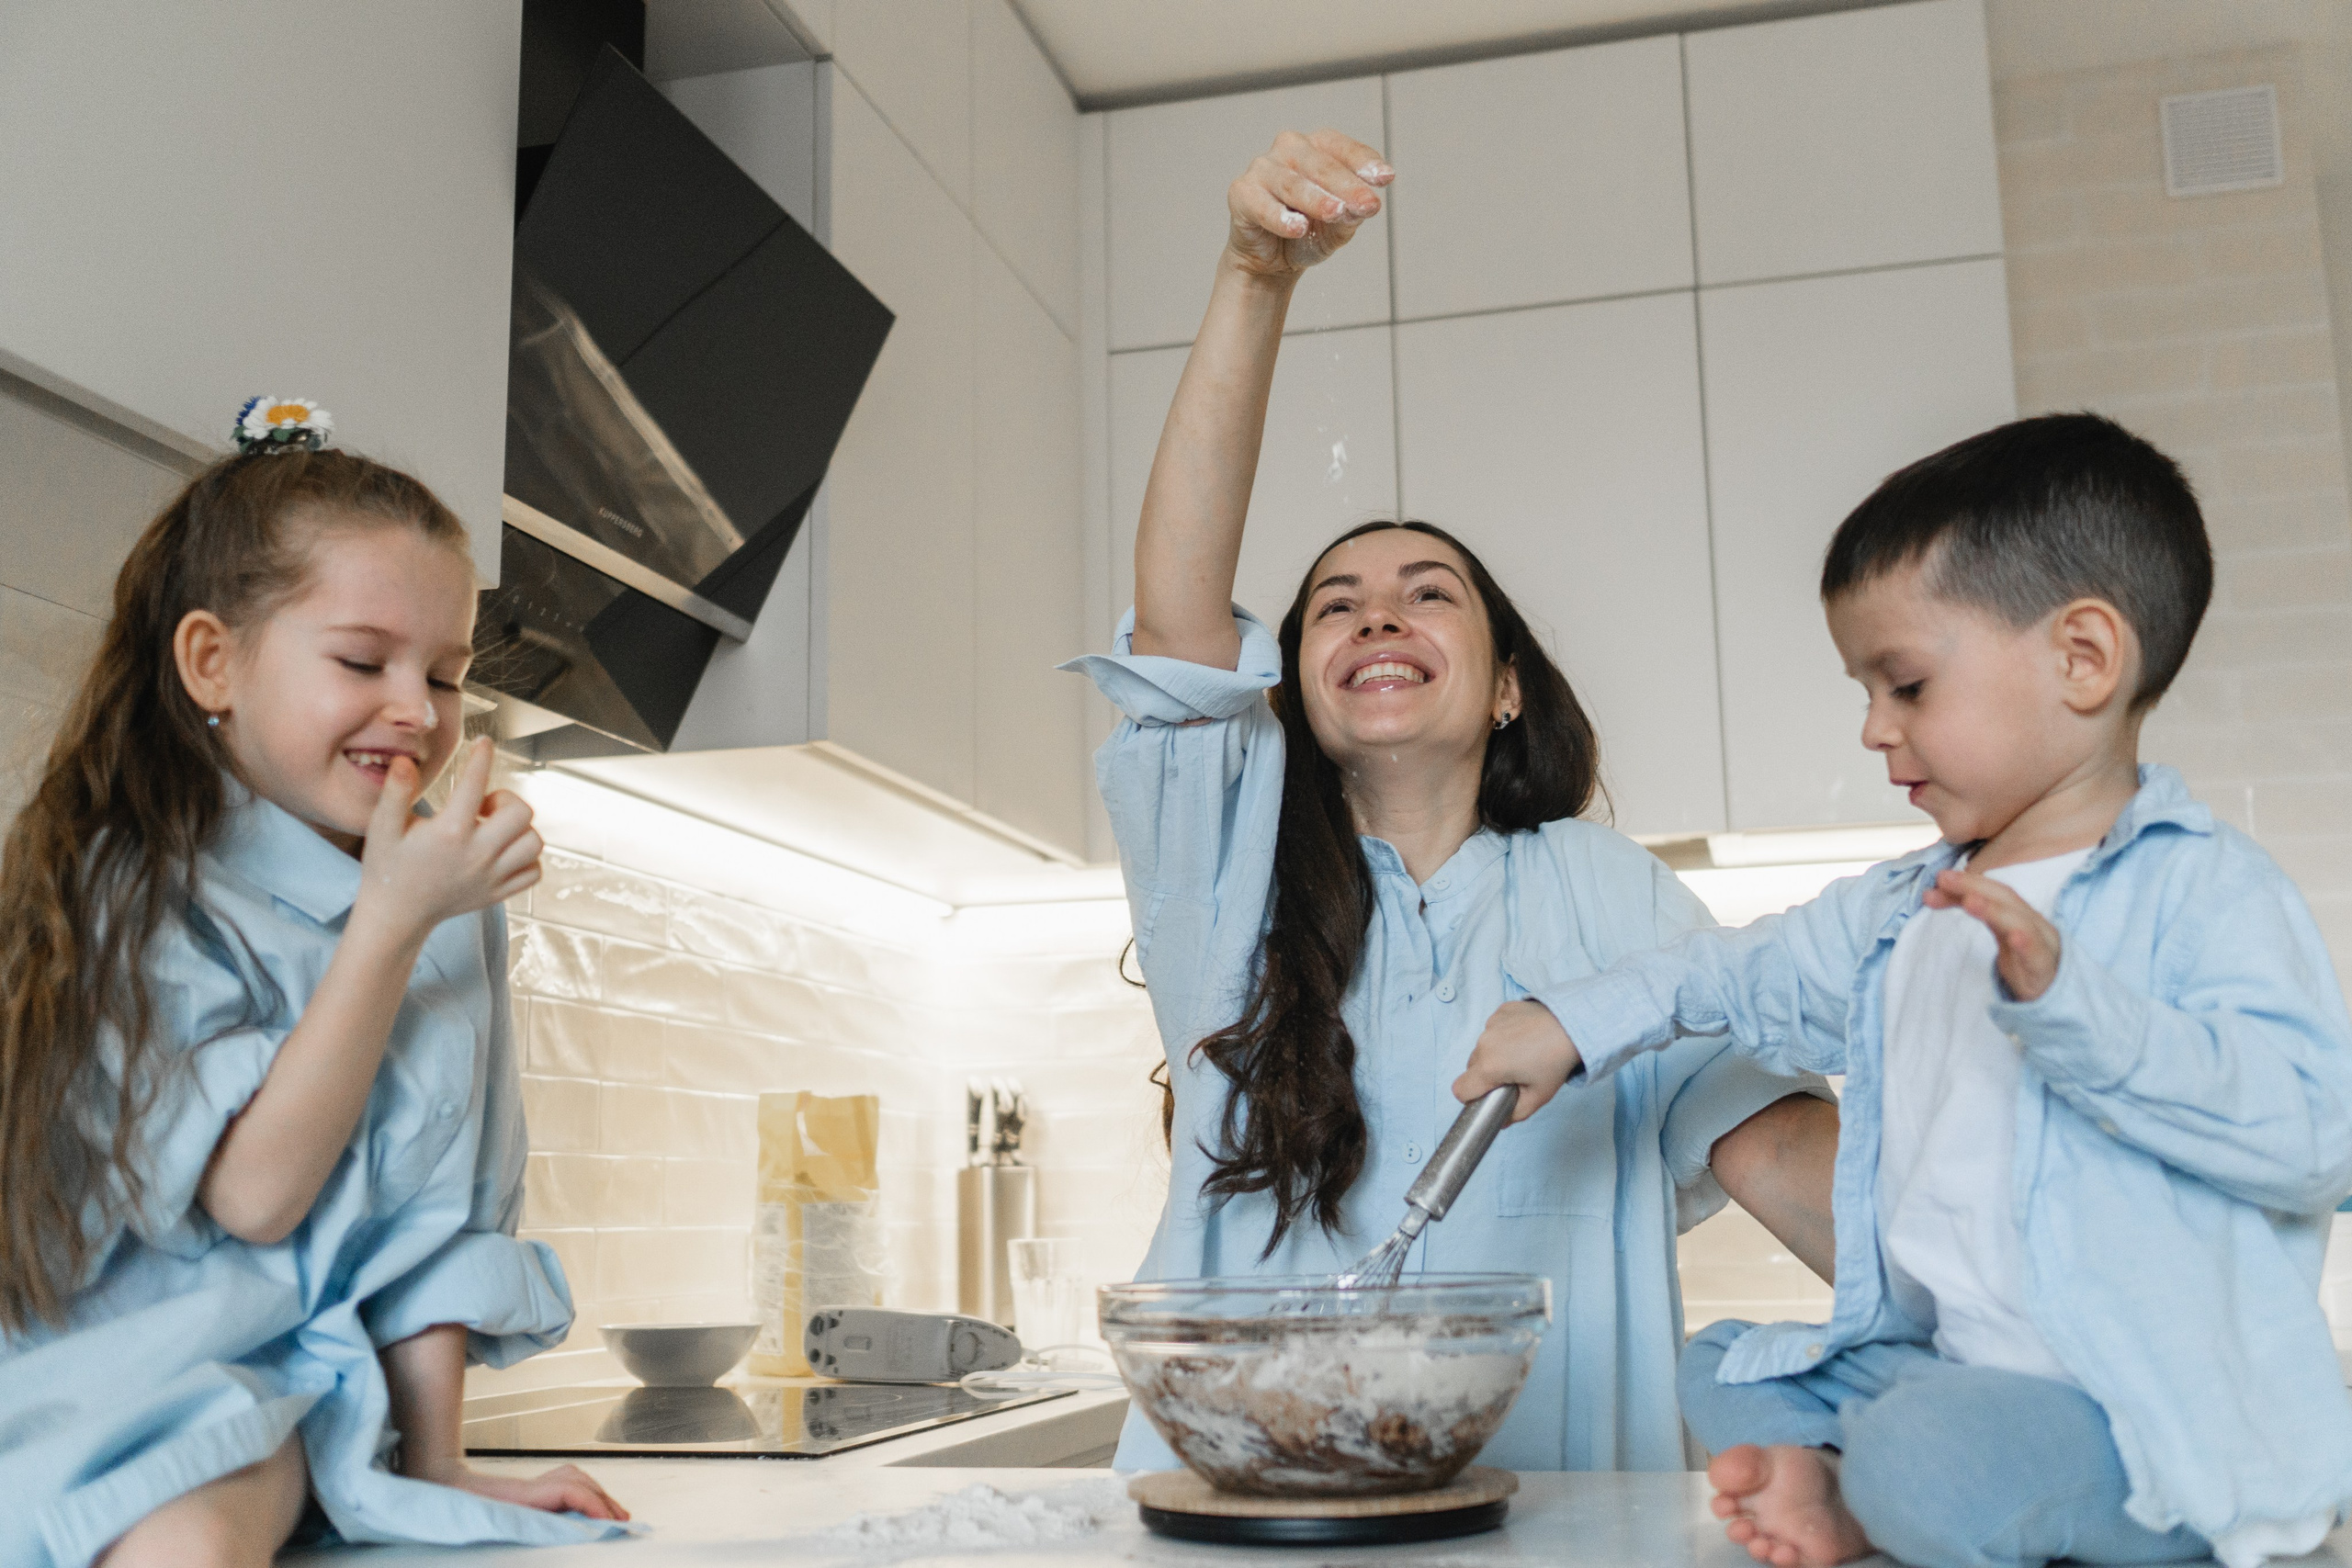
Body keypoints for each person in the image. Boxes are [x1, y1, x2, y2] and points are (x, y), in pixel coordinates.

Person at [1065, 129, 1842, 1472]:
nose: (1380, 610)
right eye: (1337, 603)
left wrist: (2041, 1332)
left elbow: (1775, 1144)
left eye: (1433, 592)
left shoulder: (1613, 892)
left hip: (1554, 1521)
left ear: (1503, 690)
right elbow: (1181, 617)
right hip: (1242, 1522)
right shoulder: (1226, 870)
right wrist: (1258, 273)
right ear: (1297, 691)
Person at [1460, 413, 2352, 1568]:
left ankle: (1896, 1489)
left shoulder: (2202, 890)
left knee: (1929, 1451)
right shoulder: (1904, 910)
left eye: (1907, 683)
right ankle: (1858, 1486)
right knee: (1724, 1368)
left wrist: (2079, 1013)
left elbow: (2314, 1140)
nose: (1876, 728)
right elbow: (1733, 970)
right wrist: (1575, 1025)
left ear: (2083, 659)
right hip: (1961, 1375)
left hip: (2148, 1411)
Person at [0, 411, 630, 1567]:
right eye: (361, 661)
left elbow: (442, 1209)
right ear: (213, 662)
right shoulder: (134, 884)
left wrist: (439, 1471)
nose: (418, 710)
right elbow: (253, 1194)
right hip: (116, 1377)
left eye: (446, 675)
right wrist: (391, 923)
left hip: (293, 1401)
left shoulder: (440, 898)